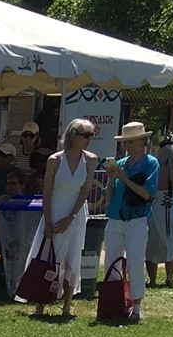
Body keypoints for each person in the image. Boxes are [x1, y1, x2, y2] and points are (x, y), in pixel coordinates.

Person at [29, 117, 97, 321]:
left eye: (90, 135)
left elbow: (86, 189)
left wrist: (72, 216)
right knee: (48, 256)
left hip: (76, 215)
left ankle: (67, 306)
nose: (88, 139)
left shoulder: (91, 159)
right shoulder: (55, 160)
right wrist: (49, 222)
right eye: (85, 135)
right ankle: (40, 304)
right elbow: (47, 192)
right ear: (73, 136)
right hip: (55, 211)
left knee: (72, 258)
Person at [103, 119, 158, 323]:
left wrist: (124, 178)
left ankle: (136, 307)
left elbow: (147, 194)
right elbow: (108, 198)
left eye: (131, 142)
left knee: (135, 261)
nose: (126, 146)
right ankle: (114, 302)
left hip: (137, 219)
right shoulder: (120, 164)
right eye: (125, 142)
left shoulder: (151, 163)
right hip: (115, 218)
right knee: (111, 261)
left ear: (143, 141)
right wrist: (110, 179)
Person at [148, 132, 173, 287]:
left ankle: (152, 279)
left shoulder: (155, 172)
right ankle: (169, 277)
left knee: (152, 247)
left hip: (156, 211)